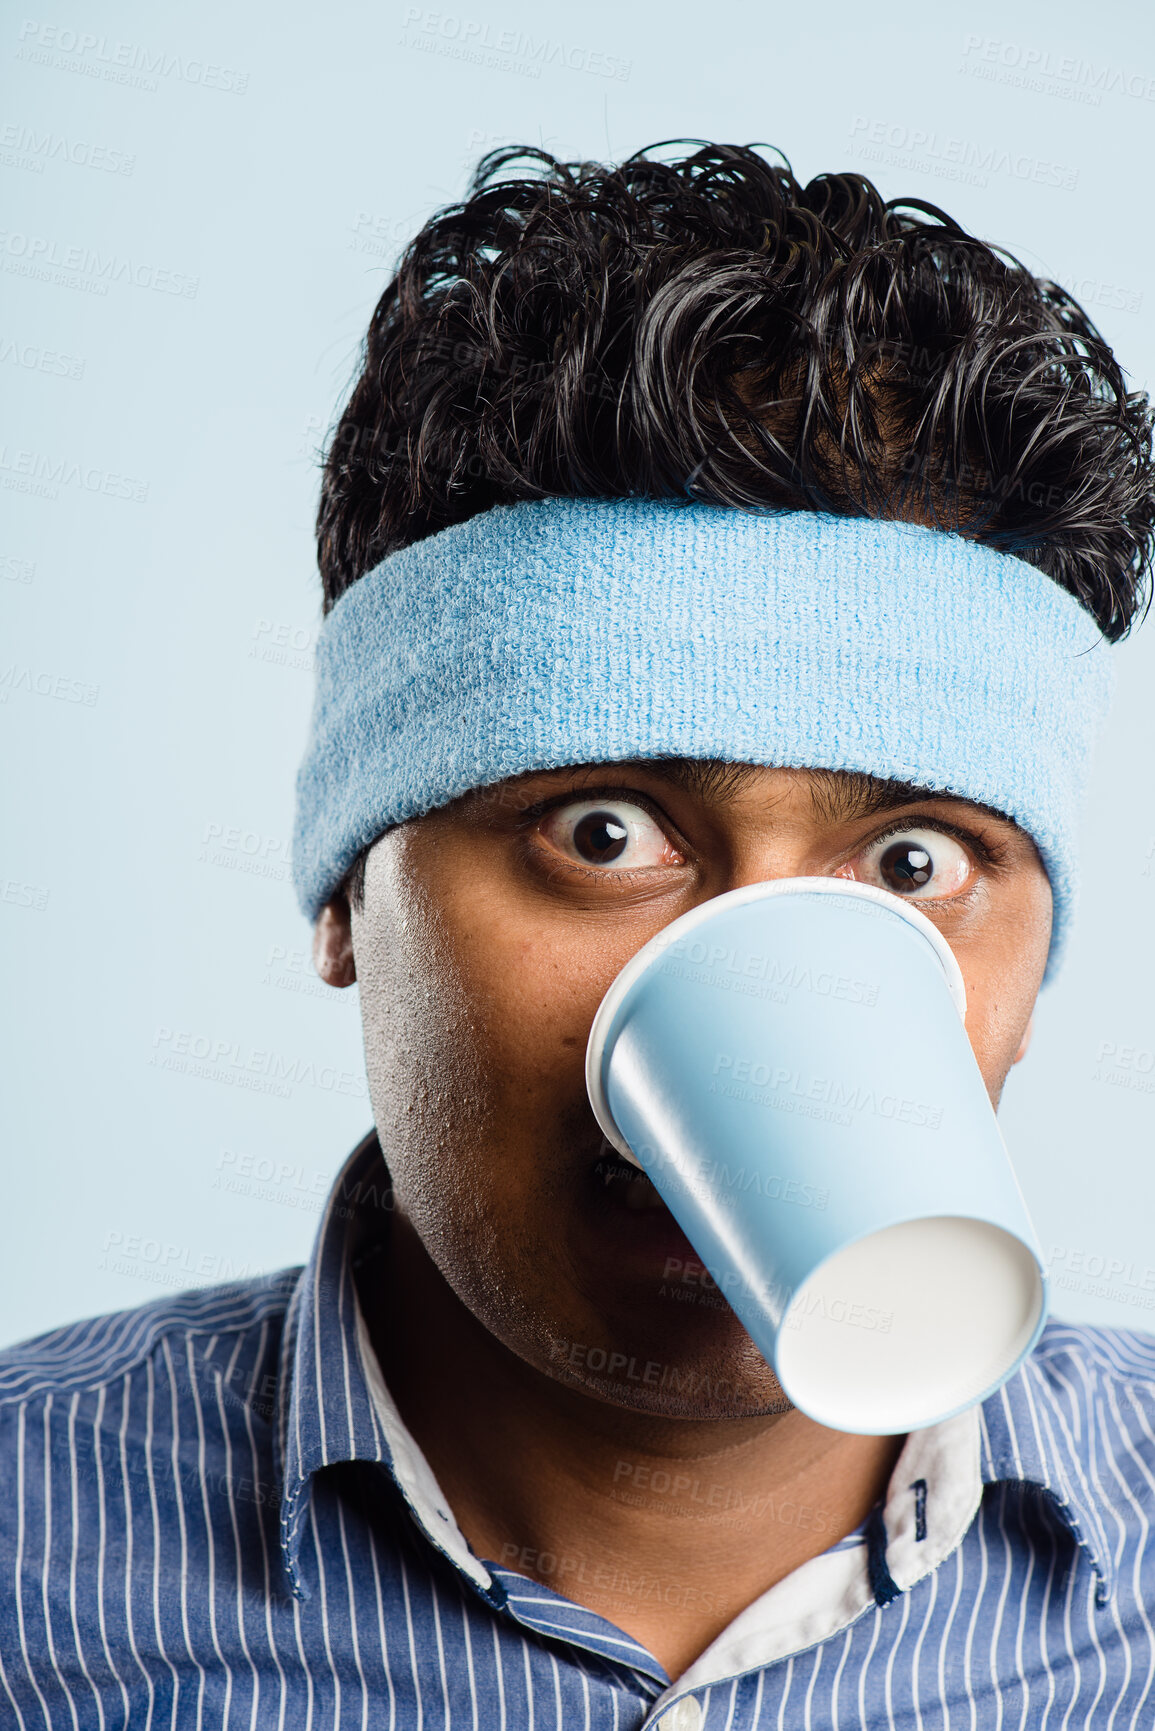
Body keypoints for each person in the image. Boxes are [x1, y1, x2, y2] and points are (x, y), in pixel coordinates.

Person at [3, 141, 1154, 1729]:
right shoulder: (29, 1570)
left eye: (912, 858)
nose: (773, 987)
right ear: (347, 890)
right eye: (603, 834)